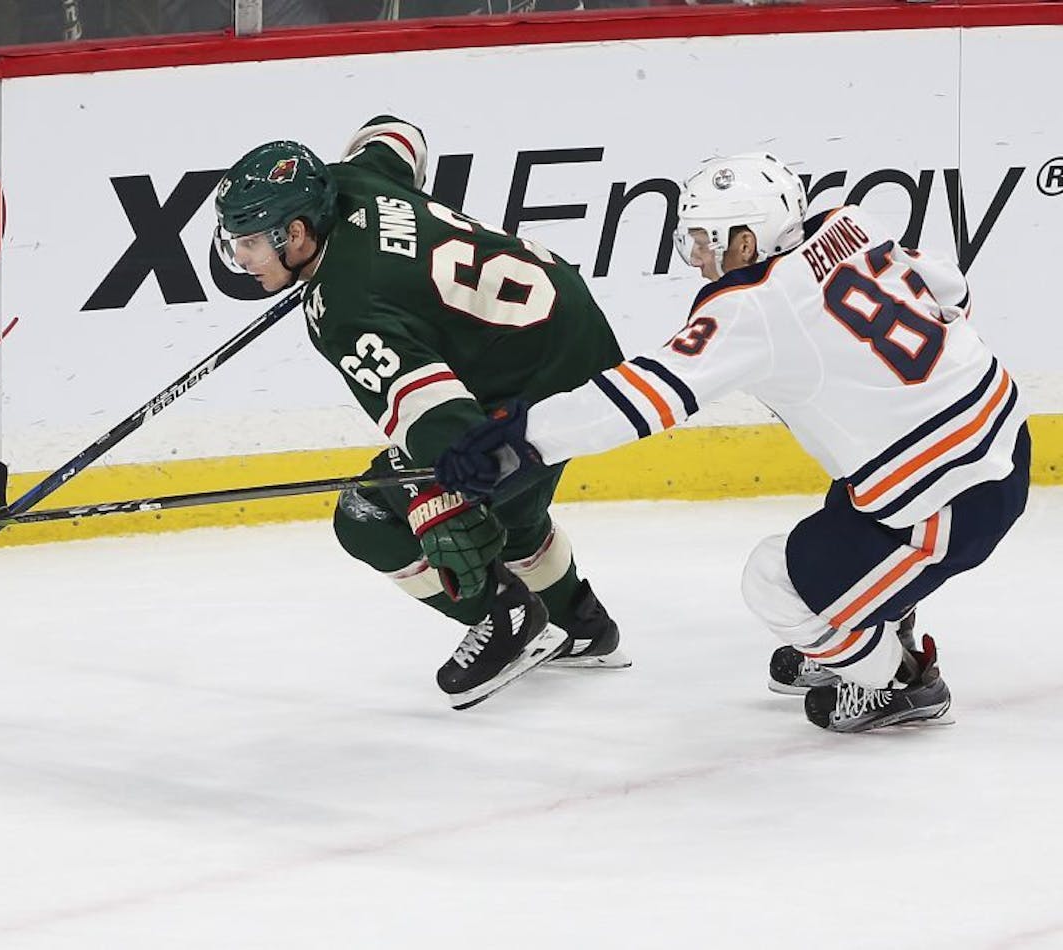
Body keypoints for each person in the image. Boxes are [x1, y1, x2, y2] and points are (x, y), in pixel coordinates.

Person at [435, 152, 1031, 732]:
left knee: (774, 580)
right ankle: (866, 622)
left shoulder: (754, 308)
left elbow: (648, 394)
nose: (696, 257)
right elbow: (951, 293)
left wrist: (523, 439)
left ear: (746, 242)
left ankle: (898, 681)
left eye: (705, 239)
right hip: (1001, 427)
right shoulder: (851, 222)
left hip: (950, 500)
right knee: (854, 491)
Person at [213, 117, 630, 709]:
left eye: (252, 241)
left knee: (370, 511)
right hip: (573, 335)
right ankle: (584, 626)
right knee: (509, 510)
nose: (241, 256)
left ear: (299, 234)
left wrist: (443, 497)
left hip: (533, 386)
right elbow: (397, 133)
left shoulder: (345, 309)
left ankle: (505, 616)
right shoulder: (354, 178)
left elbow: (436, 417)